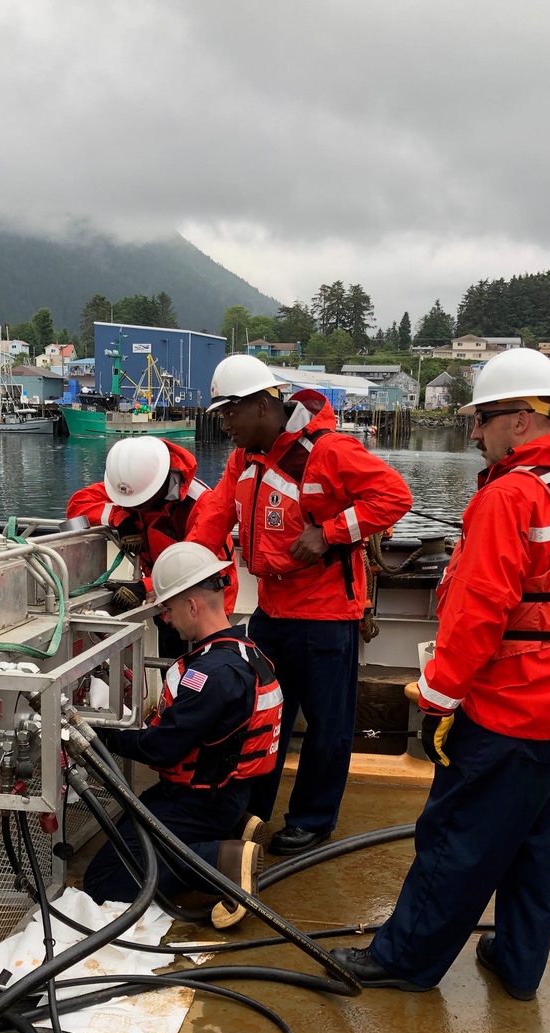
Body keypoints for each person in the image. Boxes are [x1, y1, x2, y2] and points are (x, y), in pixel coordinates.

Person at [331, 347, 550, 1000]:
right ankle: (519, 963)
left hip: (514, 710)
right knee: (541, 845)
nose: (473, 432)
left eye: (483, 417)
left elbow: (476, 618)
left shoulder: (511, 497)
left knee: (457, 839)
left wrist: (437, 701)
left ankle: (407, 960)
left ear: (522, 420)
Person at [187, 354, 413, 856]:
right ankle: (252, 812)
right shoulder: (243, 459)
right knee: (263, 715)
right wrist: (188, 571)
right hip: (273, 612)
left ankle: (312, 819)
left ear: (264, 407)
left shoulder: (329, 452)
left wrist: (330, 533)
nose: (224, 424)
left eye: (230, 413)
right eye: (221, 414)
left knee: (328, 727)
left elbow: (394, 497)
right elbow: (215, 513)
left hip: (328, 617)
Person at [82, 542, 283, 929]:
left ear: (192, 605)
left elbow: (162, 748)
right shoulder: (246, 651)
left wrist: (100, 735)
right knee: (130, 824)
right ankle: (235, 827)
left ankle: (222, 862)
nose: (167, 621)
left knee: (103, 881)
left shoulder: (212, 674)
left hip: (201, 800)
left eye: (169, 610)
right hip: (224, 792)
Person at [67, 437, 237, 659]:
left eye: (139, 504)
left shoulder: (200, 505)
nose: (134, 508)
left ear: (160, 484)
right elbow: (77, 506)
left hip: (202, 608)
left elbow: (204, 569)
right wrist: (120, 518)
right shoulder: (133, 487)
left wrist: (145, 587)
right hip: (165, 602)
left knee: (200, 673)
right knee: (171, 668)